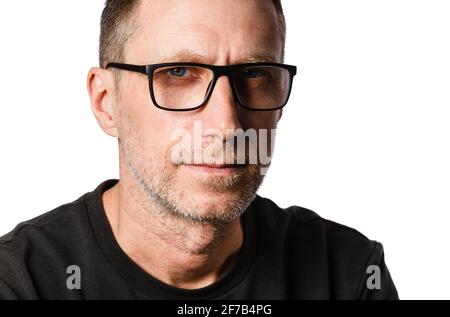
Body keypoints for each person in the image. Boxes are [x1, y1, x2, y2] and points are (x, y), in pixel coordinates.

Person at [0, 0, 398, 299]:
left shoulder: (347, 274)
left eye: (255, 74)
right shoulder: (22, 282)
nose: (227, 125)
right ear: (106, 102)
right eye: (178, 72)